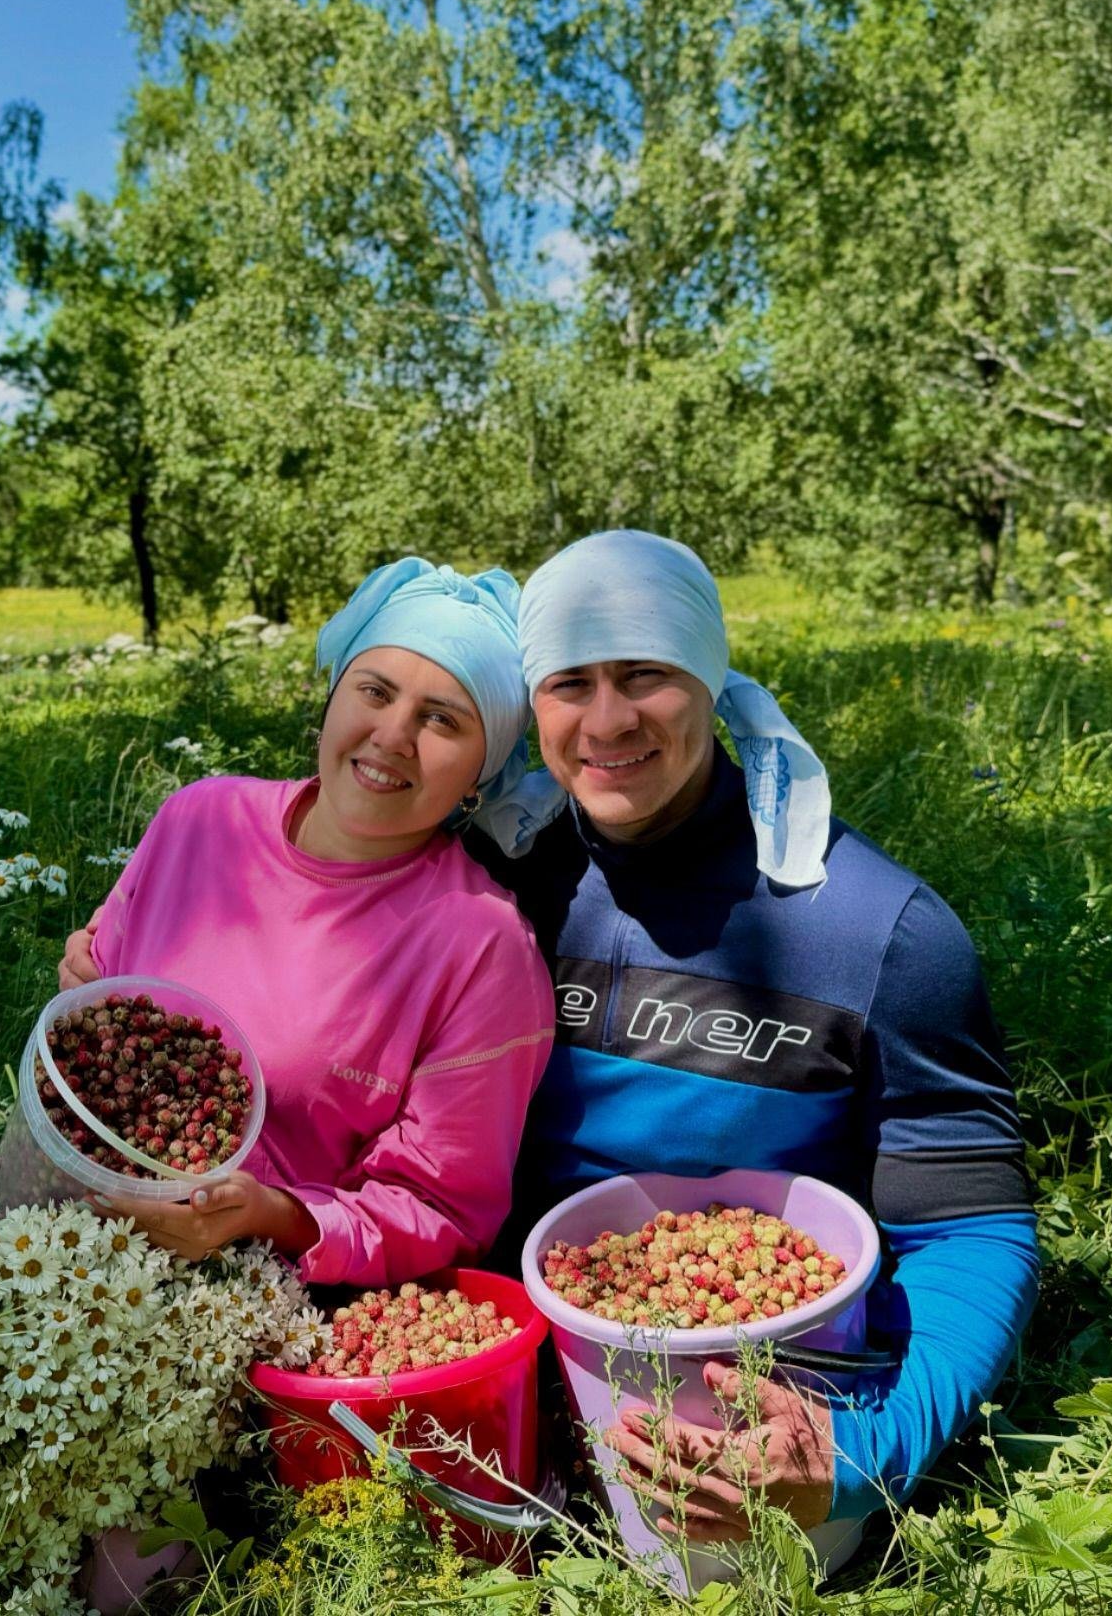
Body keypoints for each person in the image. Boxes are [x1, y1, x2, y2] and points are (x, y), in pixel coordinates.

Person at [471, 529, 1038, 1547]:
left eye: (645, 674)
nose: (607, 719)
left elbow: (969, 1226)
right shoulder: (483, 884)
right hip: (508, 1394)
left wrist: (864, 1455)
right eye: (569, 683)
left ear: (710, 678)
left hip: (749, 1384)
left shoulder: (879, 931)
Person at [58, 556, 555, 1280]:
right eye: (374, 691)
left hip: (249, 1299)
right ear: (332, 694)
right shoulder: (202, 819)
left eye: (441, 719)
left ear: (482, 773)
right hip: (67, 1227)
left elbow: (444, 1212)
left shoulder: (481, 946)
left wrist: (274, 1215)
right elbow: (94, 1014)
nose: (391, 735)